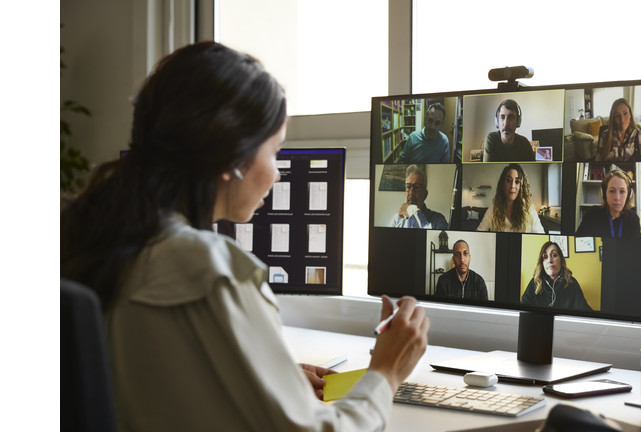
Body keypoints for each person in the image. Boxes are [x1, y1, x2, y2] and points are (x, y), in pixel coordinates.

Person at [60, 42, 430, 431]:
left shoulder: (95, 240)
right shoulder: (209, 271)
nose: (278, 173)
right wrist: (385, 373)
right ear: (231, 160)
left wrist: (271, 377)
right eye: (275, 152)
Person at [521, 242, 592, 310]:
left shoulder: (572, 283)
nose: (549, 260)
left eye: (554, 255)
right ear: (542, 263)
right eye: (545, 257)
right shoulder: (535, 282)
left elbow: (584, 310)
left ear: (561, 260)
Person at [476, 164, 544, 233]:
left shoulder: (530, 212)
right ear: (503, 184)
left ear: (521, 187)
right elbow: (478, 234)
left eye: (517, 182)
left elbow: (542, 238)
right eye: (508, 180)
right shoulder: (493, 210)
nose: (512, 186)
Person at [576, 169, 641, 238]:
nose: (617, 198)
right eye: (612, 191)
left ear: (629, 195)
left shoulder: (633, 218)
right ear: (604, 193)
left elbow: (637, 247)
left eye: (622, 191)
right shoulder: (592, 214)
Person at [389, 164, 449, 229]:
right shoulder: (395, 221)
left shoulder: (438, 220)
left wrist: (414, 211)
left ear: (425, 195)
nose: (411, 192)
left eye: (417, 187)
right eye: (408, 187)